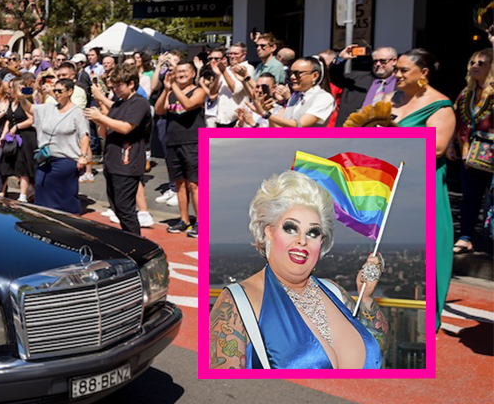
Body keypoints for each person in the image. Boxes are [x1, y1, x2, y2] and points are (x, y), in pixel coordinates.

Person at [209, 171, 387, 369]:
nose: (302, 240)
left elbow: (378, 346)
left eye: (312, 232)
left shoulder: (336, 291)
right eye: (291, 228)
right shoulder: (235, 303)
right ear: (269, 231)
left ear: (321, 241)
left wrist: (367, 298)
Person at [383, 49, 455, 332]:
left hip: (425, 185)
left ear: (424, 73)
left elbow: (436, 148)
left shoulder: (440, 106)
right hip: (393, 178)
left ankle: (426, 322)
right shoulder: (392, 98)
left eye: (403, 71)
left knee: (430, 248)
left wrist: (388, 132)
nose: (396, 75)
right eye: (396, 70)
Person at [85, 63, 152, 236]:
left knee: (125, 209)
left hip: (127, 162)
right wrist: (99, 118)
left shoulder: (139, 103)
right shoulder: (119, 103)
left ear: (131, 83)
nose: (115, 90)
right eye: (113, 86)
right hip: (113, 161)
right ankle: (130, 239)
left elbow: (125, 127)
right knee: (117, 207)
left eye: (119, 86)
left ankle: (136, 243)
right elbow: (106, 128)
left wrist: (101, 117)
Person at [449, 48, 494, 254]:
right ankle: (465, 236)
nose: (475, 66)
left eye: (481, 63)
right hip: (469, 154)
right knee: (469, 196)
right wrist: (451, 144)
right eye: (472, 63)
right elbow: (455, 120)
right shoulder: (466, 94)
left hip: (491, 154)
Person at [156, 62, 206, 238]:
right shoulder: (170, 92)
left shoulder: (199, 91)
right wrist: (166, 90)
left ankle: (200, 222)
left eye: (184, 71)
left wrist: (174, 88)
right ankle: (184, 220)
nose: (180, 74)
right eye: (177, 72)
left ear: (193, 73)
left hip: (192, 142)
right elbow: (159, 109)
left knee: (195, 184)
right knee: (179, 184)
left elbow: (188, 105)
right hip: (173, 142)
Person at [28, 78, 91, 213]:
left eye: (59, 91)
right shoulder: (49, 108)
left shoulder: (77, 112)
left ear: (70, 92)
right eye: (54, 90)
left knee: (62, 192)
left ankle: (69, 218)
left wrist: (83, 155)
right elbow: (30, 109)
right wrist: (20, 98)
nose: (56, 93)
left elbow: (84, 135)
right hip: (45, 158)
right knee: (41, 185)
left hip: (66, 159)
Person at [240, 57, 335, 128]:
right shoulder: (295, 97)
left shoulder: (323, 98)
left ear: (314, 76)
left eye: (298, 74)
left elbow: (299, 125)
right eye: (290, 73)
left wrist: (265, 113)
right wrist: (268, 113)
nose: (292, 77)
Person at [0, 79, 37, 201]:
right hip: (12, 137)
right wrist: (3, 135)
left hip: (25, 136)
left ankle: (23, 195)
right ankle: (1, 191)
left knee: (23, 165)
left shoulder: (27, 101)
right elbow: (8, 120)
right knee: (4, 164)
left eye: (11, 88)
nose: (9, 90)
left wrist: (17, 127)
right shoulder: (10, 102)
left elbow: (31, 120)